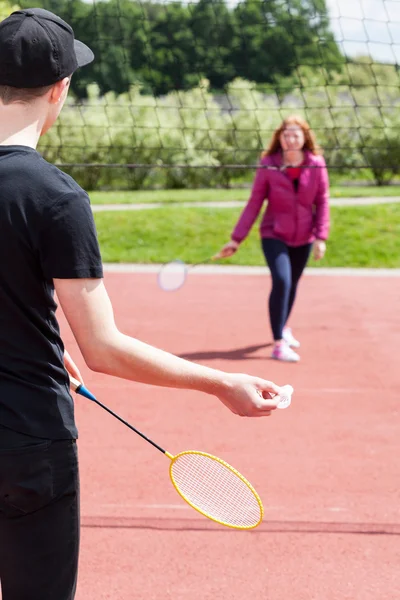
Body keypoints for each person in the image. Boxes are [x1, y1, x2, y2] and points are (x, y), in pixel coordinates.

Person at [0, 8, 285, 600]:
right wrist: (219, 383)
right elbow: (103, 349)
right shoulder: (56, 198)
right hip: (28, 442)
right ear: (60, 90)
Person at [216, 116, 330, 362]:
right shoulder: (268, 164)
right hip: (274, 234)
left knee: (293, 284)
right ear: (279, 137)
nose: (290, 139)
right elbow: (255, 202)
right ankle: (278, 343)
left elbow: (322, 201)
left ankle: (283, 326)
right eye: (286, 134)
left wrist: (321, 237)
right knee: (282, 281)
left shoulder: (316, 164)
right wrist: (236, 239)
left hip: (304, 236)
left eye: (296, 135)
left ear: (304, 138)